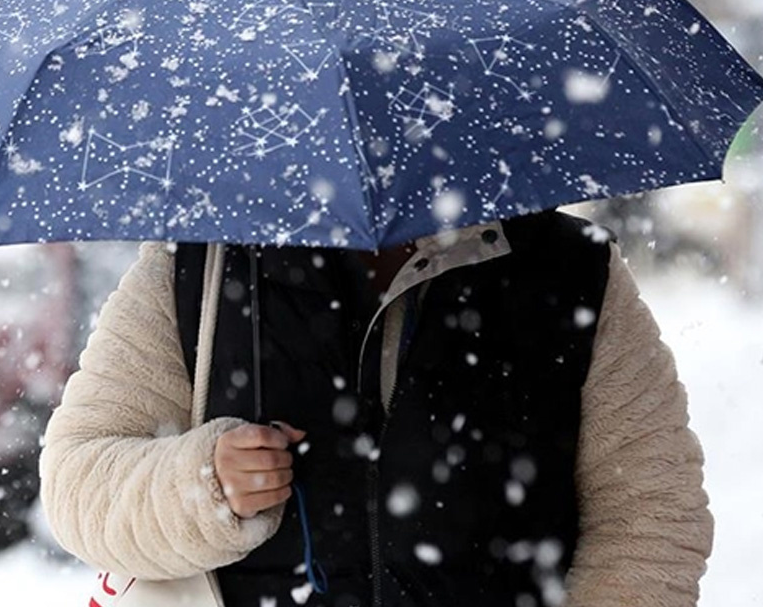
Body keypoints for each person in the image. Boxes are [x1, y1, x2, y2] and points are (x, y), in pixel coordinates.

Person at [39, 209, 711, 607]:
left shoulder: (566, 271)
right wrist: (203, 484)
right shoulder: (201, 265)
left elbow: (651, 515)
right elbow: (78, 482)